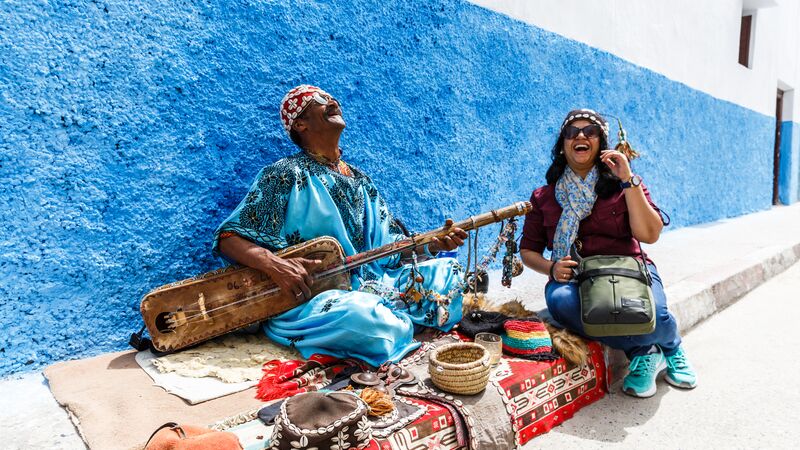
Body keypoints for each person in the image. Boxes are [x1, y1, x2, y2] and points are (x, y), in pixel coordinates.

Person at [212, 85, 468, 367]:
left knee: (449, 276)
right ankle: (394, 324)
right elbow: (228, 237)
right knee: (367, 318)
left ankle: (392, 324)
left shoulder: (360, 180)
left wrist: (433, 245)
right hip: (315, 297)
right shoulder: (284, 174)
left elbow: (390, 247)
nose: (332, 101)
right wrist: (274, 265)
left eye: (332, 97)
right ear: (300, 123)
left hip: (376, 282)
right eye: (320, 100)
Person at [519, 109, 697, 398]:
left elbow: (649, 234)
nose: (580, 136)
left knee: (656, 314)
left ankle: (672, 346)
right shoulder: (544, 196)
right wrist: (550, 268)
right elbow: (528, 250)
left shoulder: (622, 184)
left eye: (589, 132)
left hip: (628, 270)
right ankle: (645, 351)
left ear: (601, 143)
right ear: (562, 145)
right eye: (571, 132)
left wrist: (628, 180)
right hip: (578, 276)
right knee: (560, 303)